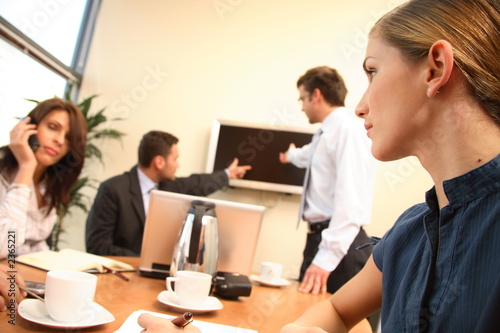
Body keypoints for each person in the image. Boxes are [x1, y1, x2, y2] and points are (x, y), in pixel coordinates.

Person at [280, 0, 500, 332]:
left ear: (435, 69)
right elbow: (336, 312)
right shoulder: (408, 231)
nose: (360, 107)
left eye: (372, 71)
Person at [279, 66, 376, 296]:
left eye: (302, 98)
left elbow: (351, 202)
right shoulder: (325, 134)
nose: (302, 106)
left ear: (316, 95)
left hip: (341, 247)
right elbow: (308, 155)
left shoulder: (347, 131)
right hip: (320, 240)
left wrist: (326, 259)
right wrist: (290, 156)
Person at [85, 130, 251, 256]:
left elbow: (197, 184)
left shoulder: (168, 187)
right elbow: (97, 245)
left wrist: (228, 174)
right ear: (159, 162)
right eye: (175, 159)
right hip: (120, 275)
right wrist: (140, 259)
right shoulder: (113, 189)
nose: (177, 165)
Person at [0, 98, 87, 258]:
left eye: (68, 138)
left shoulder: (48, 182)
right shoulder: (3, 172)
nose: (59, 141)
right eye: (53, 127)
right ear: (28, 126)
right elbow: (5, 244)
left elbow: (35, 243)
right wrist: (26, 165)